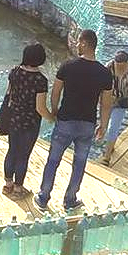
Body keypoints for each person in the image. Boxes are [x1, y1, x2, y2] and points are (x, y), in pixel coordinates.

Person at [36, 29, 114, 213]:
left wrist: (54, 111)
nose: (77, 45)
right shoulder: (104, 73)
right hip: (87, 124)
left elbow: (55, 92)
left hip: (66, 120)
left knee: (53, 160)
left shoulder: (68, 66)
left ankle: (43, 197)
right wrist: (103, 125)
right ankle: (70, 199)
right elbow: (106, 104)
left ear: (85, 44)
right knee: (79, 163)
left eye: (79, 42)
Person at [0, 42, 52, 198]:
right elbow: (40, 108)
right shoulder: (40, 80)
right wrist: (52, 117)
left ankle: (8, 185)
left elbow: (8, 93)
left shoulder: (15, 72)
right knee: (23, 155)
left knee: (12, 151)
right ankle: (18, 189)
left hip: (14, 118)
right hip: (30, 123)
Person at [101, 50, 128, 161]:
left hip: (121, 102)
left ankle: (107, 157)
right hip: (108, 100)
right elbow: (101, 83)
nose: (120, 68)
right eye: (118, 65)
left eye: (122, 65)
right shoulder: (108, 66)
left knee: (113, 127)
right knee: (104, 125)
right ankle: (110, 145)